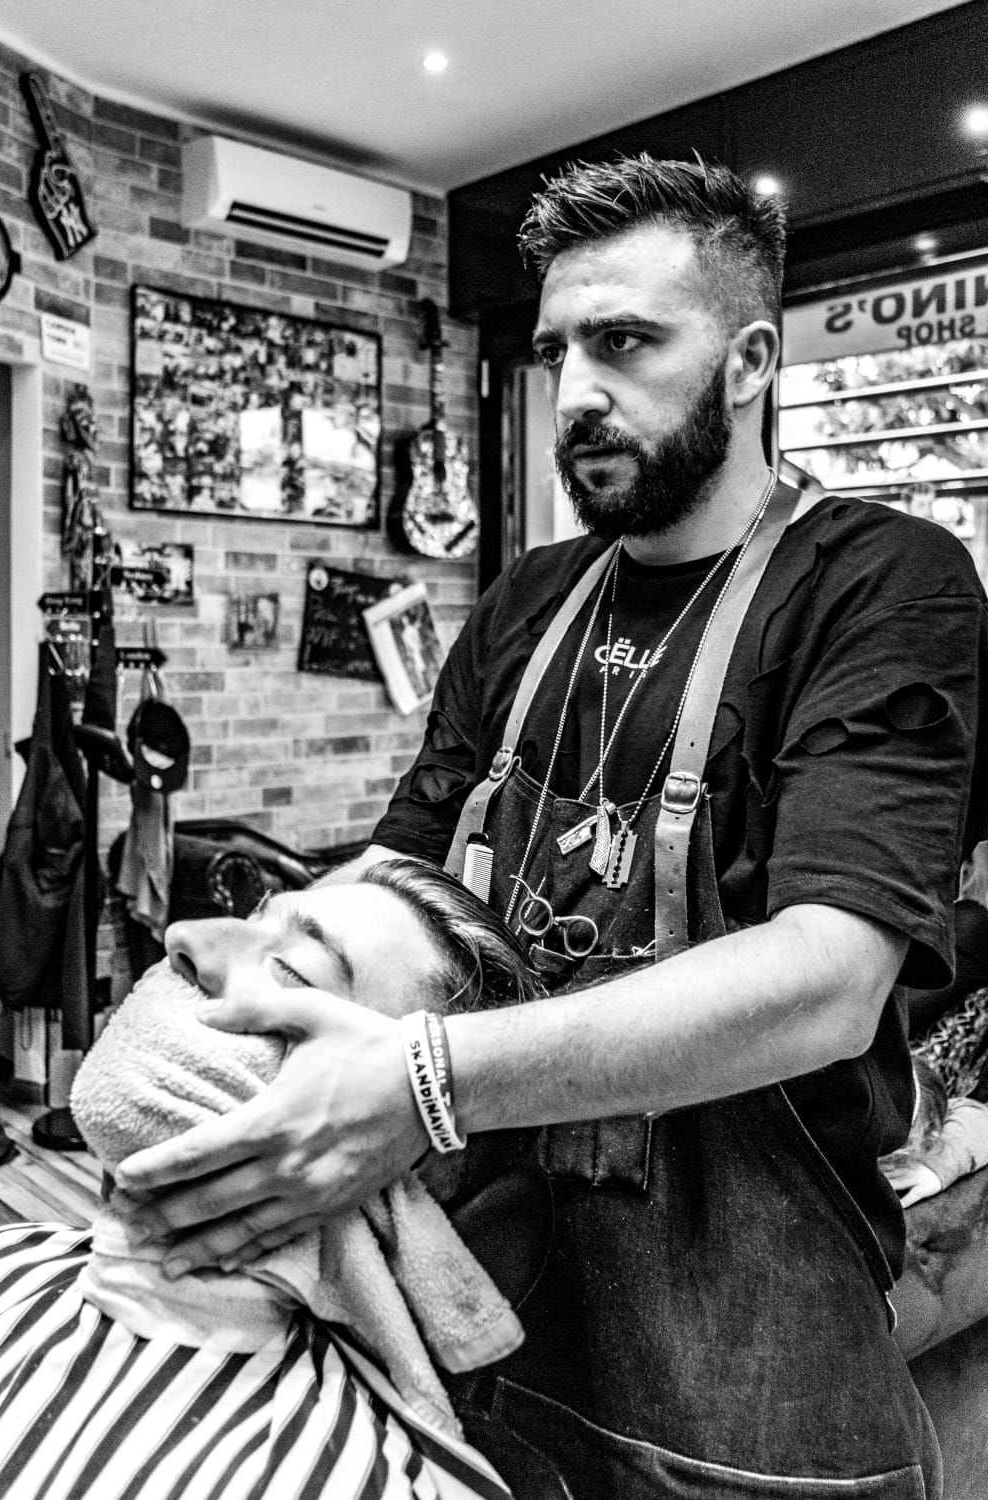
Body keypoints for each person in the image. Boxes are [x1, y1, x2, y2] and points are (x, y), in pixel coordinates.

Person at [113, 157, 988, 1497]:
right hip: (482, 1291)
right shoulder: (530, 600)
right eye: (558, 350)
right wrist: (262, 964)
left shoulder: (878, 582)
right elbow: (402, 868)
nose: (576, 390)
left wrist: (426, 1081)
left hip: (752, 1350)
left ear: (749, 363)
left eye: (625, 342)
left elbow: (828, 979)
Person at [0, 858, 543, 1500]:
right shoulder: (4, 1260)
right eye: (253, 919)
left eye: (293, 971)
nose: (186, 936)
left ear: (389, 1150)